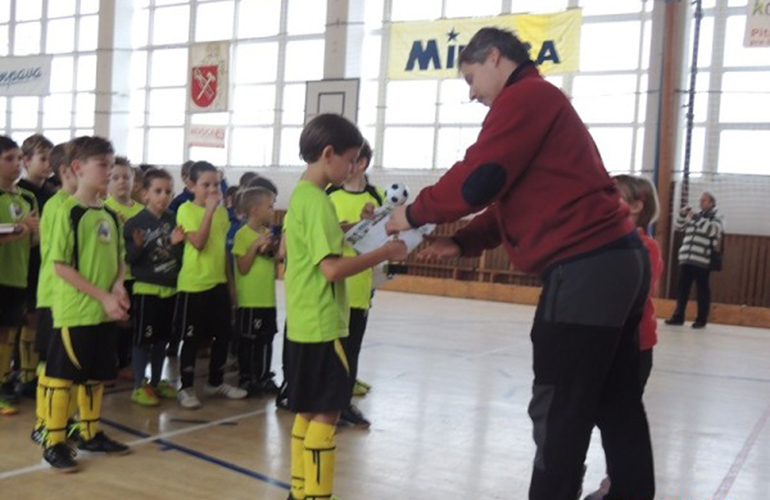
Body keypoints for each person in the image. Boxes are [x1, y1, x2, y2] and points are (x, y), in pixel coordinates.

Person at [385, 28, 654, 500]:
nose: (472, 94)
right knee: (616, 399)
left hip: (586, 266)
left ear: (494, 57)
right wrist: (462, 242)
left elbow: (478, 180)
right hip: (617, 259)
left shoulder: (526, 96)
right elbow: (509, 201)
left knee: (560, 405)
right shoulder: (540, 104)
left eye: (471, 78)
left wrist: (411, 214)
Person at [284, 114, 407, 500]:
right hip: (324, 324)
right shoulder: (319, 202)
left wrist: (355, 226)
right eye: (351, 160)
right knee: (327, 413)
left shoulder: (301, 196)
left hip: (302, 322)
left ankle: (299, 491)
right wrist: (384, 253)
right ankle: (318, 496)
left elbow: (317, 240)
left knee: (307, 411)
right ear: (328, 154)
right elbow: (332, 269)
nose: (353, 168)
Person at [44, 136, 130, 471]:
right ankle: (53, 442)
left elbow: (119, 259)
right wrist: (103, 296)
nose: (109, 172)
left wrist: (118, 287)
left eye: (112, 165)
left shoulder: (110, 214)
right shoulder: (67, 211)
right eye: (103, 165)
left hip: (103, 312)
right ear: (78, 168)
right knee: (63, 377)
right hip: (76, 311)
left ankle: (90, 433)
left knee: (96, 377)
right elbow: (60, 266)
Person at [584, 174, 662, 500]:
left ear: (637, 206)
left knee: (619, 420)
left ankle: (620, 483)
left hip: (634, 347)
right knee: (601, 417)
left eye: (614, 194)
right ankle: (613, 478)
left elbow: (629, 293)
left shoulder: (645, 246)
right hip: (603, 345)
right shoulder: (602, 240)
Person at [174, 161, 246, 409]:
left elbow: (221, 250)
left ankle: (216, 382)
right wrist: (208, 212)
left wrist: (230, 284)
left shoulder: (223, 213)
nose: (213, 189)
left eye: (216, 184)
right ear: (191, 185)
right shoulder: (185, 210)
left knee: (223, 335)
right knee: (192, 338)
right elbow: (199, 243)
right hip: (194, 284)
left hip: (218, 283)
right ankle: (186, 387)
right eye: (206, 184)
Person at [326, 140, 382, 428]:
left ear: (361, 164)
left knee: (352, 349)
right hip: (333, 285)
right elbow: (324, 233)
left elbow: (387, 233)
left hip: (361, 286)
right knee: (331, 350)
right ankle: (326, 404)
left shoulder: (378, 196)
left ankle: (344, 403)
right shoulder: (329, 194)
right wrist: (356, 225)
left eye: (351, 159)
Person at [31, 141, 82, 444]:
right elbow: (59, 258)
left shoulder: (80, 205)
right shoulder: (58, 205)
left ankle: (65, 419)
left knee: (70, 365)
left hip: (74, 299)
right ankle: (43, 422)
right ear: (67, 171)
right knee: (51, 363)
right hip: (55, 296)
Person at [124, 168, 184, 406]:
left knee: (161, 340)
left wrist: (177, 245)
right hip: (146, 289)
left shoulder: (174, 220)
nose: (163, 196)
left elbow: (180, 256)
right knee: (143, 340)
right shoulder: (135, 223)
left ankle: (157, 381)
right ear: (145, 194)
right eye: (157, 191)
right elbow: (129, 258)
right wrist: (138, 246)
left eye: (168, 192)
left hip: (170, 289)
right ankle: (140, 385)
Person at [0, 136, 39, 415]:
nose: (17, 164)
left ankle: (5, 381)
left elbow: (32, 239)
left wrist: (37, 232)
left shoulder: (27, 197)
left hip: (18, 274)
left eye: (18, 159)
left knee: (9, 331)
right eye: (9, 159)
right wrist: (21, 228)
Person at [15, 134, 55, 397]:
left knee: (39, 318)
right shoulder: (21, 192)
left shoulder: (52, 193)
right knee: (27, 318)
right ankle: (25, 374)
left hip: (45, 262)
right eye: (43, 159)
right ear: (27, 161)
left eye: (51, 158)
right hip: (26, 261)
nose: (48, 164)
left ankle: (33, 373)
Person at [232, 187, 280, 396]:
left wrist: (271, 249)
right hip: (250, 299)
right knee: (248, 340)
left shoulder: (266, 233)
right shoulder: (242, 234)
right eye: (270, 206)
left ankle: (264, 376)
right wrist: (254, 246)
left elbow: (275, 260)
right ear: (255, 210)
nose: (273, 210)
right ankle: (246, 378)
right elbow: (242, 267)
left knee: (266, 339)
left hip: (267, 299)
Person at [105, 157, 144, 377]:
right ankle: (110, 363)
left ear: (134, 181)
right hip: (114, 276)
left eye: (126, 177)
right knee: (114, 321)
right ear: (108, 181)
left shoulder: (142, 211)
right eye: (115, 177)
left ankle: (126, 362)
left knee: (131, 322)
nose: (121, 181)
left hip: (138, 276)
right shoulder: (105, 208)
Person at [665, 191, 724, 329]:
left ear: (712, 203)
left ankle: (701, 319)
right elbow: (679, 227)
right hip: (686, 258)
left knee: (702, 291)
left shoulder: (717, 217)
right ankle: (678, 317)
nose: (700, 202)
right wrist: (682, 215)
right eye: (700, 200)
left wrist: (697, 219)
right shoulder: (696, 217)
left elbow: (713, 231)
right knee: (682, 290)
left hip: (702, 260)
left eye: (704, 200)